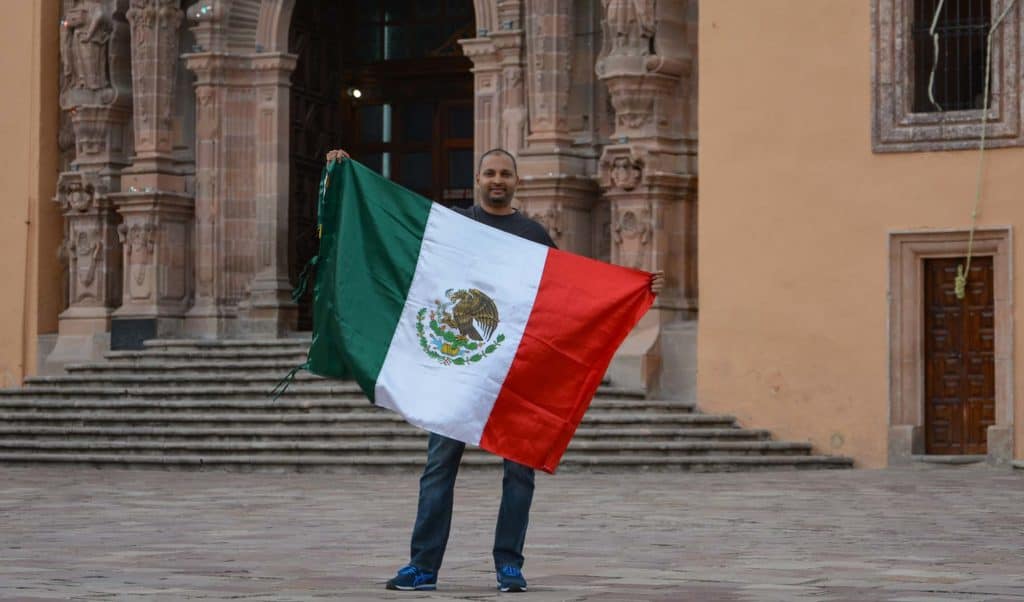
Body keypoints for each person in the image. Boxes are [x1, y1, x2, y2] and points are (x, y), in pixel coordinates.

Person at [324, 147, 664, 593]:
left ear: (516, 182)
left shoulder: (533, 234)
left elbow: (568, 292)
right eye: (490, 173)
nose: (497, 180)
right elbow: (394, 224)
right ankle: (422, 566)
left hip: (514, 372)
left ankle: (509, 564)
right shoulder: (453, 225)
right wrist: (349, 172)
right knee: (438, 467)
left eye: (505, 173)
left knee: (518, 472)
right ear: (478, 178)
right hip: (457, 366)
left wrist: (629, 288)